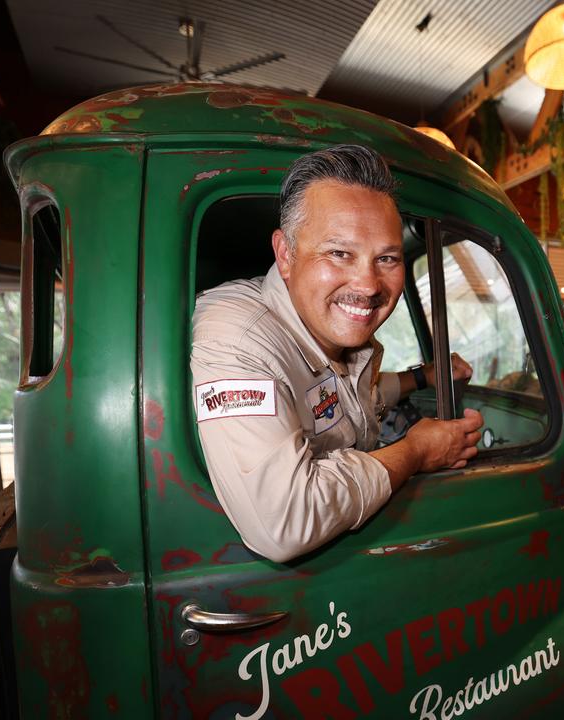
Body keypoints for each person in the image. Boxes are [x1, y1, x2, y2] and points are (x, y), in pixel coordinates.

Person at [190, 144, 483, 563]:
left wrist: (423, 378)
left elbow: (339, 396)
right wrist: (416, 452)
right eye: (339, 253)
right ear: (286, 254)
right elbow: (284, 523)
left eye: (386, 258)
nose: (367, 285)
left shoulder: (328, 333)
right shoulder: (236, 335)